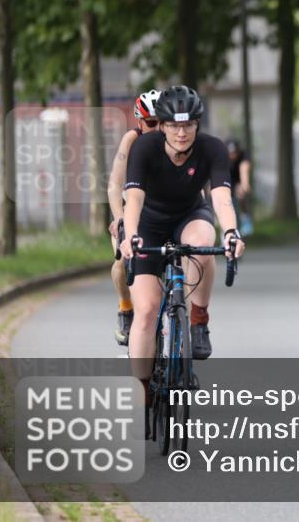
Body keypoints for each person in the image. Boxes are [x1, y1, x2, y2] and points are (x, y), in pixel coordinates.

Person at [119, 86, 246, 384]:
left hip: (189, 215)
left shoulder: (212, 148)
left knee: (203, 243)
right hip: (148, 224)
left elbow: (222, 196)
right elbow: (134, 197)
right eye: (174, 125)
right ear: (161, 126)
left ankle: (199, 319)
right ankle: (143, 388)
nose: (181, 133)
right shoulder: (145, 147)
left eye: (188, 124)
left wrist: (231, 231)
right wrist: (131, 235)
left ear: (197, 124)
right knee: (148, 310)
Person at [107, 89, 162, 346]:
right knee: (122, 258)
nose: (158, 128)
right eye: (151, 123)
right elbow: (114, 185)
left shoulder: (175, 139)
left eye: (163, 122)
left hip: (163, 213)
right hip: (133, 212)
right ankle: (125, 308)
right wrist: (119, 218)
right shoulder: (131, 140)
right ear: (139, 122)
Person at [226, 138, 254, 234]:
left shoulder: (244, 155)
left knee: (241, 193)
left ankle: (246, 218)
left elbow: (244, 169)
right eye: (230, 153)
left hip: (239, 178)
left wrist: (244, 185)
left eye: (234, 153)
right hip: (228, 178)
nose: (232, 156)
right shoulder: (222, 157)